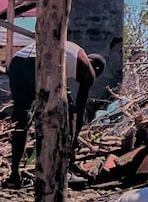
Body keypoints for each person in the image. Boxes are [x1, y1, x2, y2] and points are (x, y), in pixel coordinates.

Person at [5, 40, 105, 188]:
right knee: (66, 112)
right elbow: (79, 110)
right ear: (95, 67)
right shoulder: (88, 70)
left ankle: (14, 176)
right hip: (42, 63)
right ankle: (58, 173)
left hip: (17, 62)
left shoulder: (72, 51)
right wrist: (73, 141)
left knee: (21, 119)